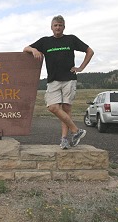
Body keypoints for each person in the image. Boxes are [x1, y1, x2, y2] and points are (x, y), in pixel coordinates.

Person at [24, 15, 94, 149]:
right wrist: (33, 50)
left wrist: (81, 68)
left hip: (69, 79)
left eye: (60, 25)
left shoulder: (71, 39)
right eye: (55, 25)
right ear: (51, 27)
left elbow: (89, 51)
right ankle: (76, 131)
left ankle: (64, 140)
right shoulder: (45, 42)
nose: (58, 27)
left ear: (64, 27)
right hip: (53, 80)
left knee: (66, 110)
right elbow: (25, 49)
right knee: (53, 107)